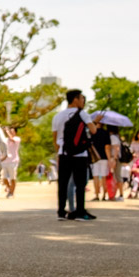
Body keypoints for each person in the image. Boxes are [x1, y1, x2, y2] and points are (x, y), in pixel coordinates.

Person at [52, 89, 98, 220]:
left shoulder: (57, 116)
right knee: (80, 184)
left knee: (63, 183)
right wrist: (94, 122)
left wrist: (58, 152)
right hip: (80, 154)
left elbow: (55, 138)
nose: (83, 101)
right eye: (82, 98)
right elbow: (93, 130)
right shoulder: (82, 113)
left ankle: (61, 211)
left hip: (63, 153)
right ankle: (80, 212)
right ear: (75, 99)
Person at [0, 127, 21, 198]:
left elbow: (12, 139)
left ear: (15, 132)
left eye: (12, 132)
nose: (10, 133)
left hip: (13, 161)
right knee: (4, 178)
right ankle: (9, 188)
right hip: (4, 161)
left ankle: (11, 193)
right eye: (10, 131)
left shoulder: (17, 139)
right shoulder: (5, 140)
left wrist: (7, 131)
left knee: (12, 178)